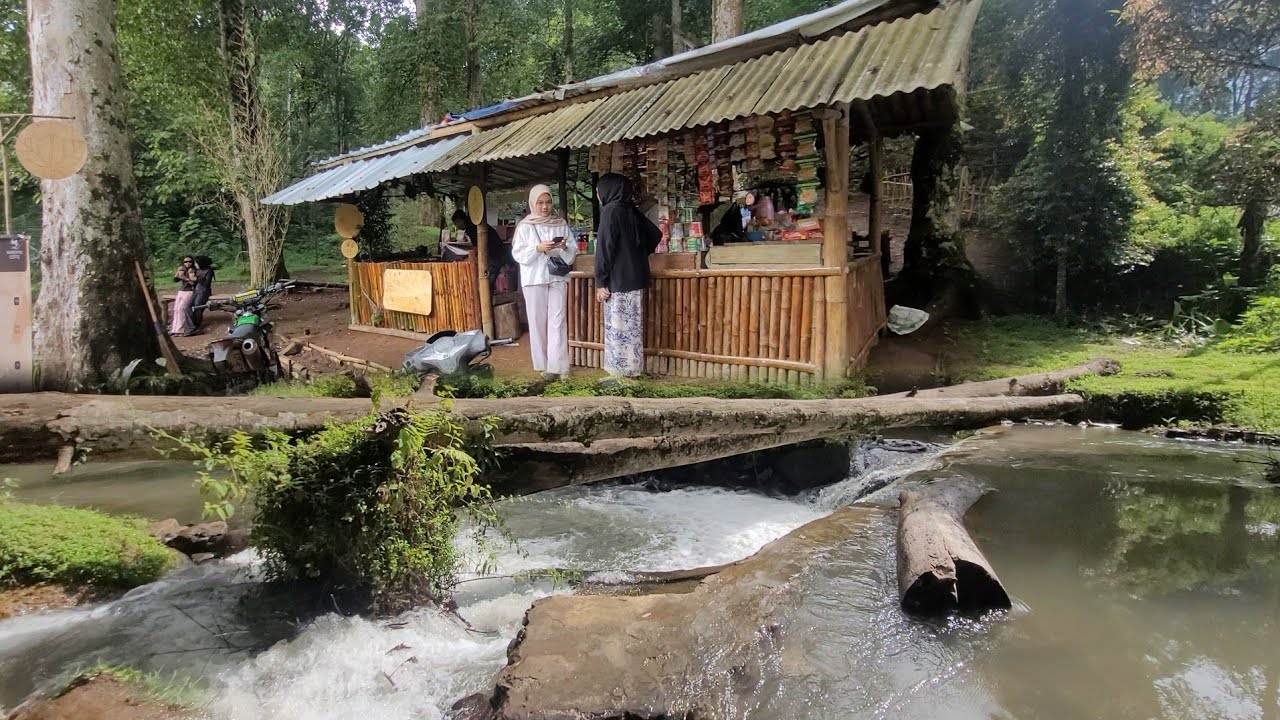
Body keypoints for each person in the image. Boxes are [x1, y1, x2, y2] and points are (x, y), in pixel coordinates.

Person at [594, 173, 662, 378]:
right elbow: (656, 235)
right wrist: (637, 254)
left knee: (618, 329)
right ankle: (633, 369)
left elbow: (604, 249)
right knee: (632, 328)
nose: (598, 195)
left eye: (598, 191)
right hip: (636, 278)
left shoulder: (610, 211)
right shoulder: (630, 210)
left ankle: (619, 374)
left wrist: (600, 281)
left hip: (618, 280)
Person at [511, 184, 575, 379]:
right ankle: (542, 365)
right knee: (537, 322)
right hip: (534, 278)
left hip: (557, 277)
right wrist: (537, 248)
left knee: (558, 320)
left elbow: (572, 251)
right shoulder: (525, 226)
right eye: (540, 203)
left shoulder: (560, 223)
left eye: (548, 202)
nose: (545, 207)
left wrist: (564, 247)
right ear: (533, 203)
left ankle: (559, 366)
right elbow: (517, 253)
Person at [451, 208, 509, 276]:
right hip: (494, 254)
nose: (457, 225)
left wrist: (466, 258)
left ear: (463, 219)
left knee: (486, 277)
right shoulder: (473, 225)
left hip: (494, 255)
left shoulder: (473, 228)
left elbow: (477, 248)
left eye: (458, 222)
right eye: (455, 223)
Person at [170, 256, 197, 336]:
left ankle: (181, 329)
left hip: (189, 291)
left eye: (189, 261)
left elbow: (193, 283)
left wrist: (185, 278)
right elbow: (175, 280)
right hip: (182, 291)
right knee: (176, 309)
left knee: (181, 309)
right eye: (185, 262)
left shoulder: (193, 270)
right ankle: (174, 329)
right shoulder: (183, 269)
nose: (187, 263)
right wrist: (177, 274)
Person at [189, 255, 215, 331]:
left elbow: (207, 284)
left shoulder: (208, 271)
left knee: (198, 306)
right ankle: (191, 324)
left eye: (196, 263)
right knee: (189, 305)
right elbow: (195, 282)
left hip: (204, 291)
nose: (195, 264)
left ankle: (197, 325)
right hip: (196, 290)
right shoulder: (198, 270)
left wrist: (196, 279)